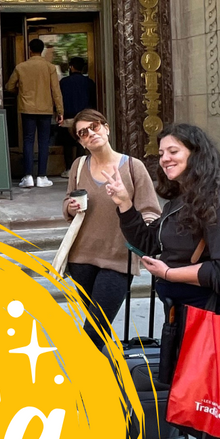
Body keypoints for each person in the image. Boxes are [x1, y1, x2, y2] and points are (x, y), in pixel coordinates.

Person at [105, 122, 220, 439]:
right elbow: (150, 243)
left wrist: (171, 274)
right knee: (199, 407)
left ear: (196, 152)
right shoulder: (181, 200)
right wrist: (124, 203)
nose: (166, 158)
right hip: (185, 319)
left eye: (174, 151)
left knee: (215, 409)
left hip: (211, 322)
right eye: (161, 153)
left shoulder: (215, 200)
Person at [63, 108, 160, 349]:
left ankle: (82, 369)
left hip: (118, 259)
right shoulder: (78, 166)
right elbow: (68, 201)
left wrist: (145, 232)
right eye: (83, 133)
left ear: (106, 128)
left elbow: (150, 211)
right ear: (81, 142)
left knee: (94, 331)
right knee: (98, 328)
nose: (90, 134)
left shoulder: (133, 167)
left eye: (94, 126)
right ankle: (109, 369)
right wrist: (71, 207)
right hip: (81, 258)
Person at [5, 38, 64, 188]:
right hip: (45, 109)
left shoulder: (21, 67)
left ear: (30, 50)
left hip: (27, 108)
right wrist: (60, 111)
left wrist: (20, 91)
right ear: (42, 50)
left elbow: (9, 86)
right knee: (43, 142)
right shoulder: (50, 67)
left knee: (28, 141)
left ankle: (28, 176)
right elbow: (56, 91)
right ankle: (42, 176)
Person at [58, 57, 97, 178]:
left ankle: (69, 169)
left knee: (67, 145)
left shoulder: (64, 82)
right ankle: (80, 169)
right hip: (84, 117)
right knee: (82, 143)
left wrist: (59, 113)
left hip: (67, 118)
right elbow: (94, 100)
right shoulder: (89, 82)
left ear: (71, 67)